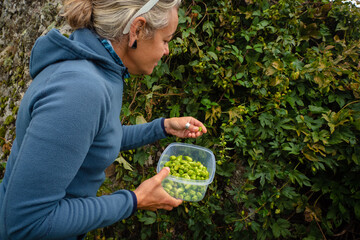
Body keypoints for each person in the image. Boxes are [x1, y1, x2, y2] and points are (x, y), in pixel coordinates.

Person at [0, 0, 207, 239]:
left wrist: (162, 127)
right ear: (137, 29)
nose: (167, 50)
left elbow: (97, 137)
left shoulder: (100, 70)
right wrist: (133, 200)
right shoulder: (80, 90)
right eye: (166, 40)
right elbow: (26, 223)